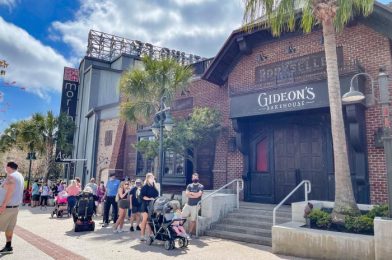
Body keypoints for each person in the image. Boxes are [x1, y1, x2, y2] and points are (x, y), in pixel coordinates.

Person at [0, 162, 25, 255]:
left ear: (8, 167)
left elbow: (10, 189)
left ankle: (8, 246)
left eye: (5, 166)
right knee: (9, 228)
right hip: (15, 207)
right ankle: (8, 246)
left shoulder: (11, 176)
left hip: (7, 207)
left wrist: (3, 205)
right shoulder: (20, 176)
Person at [139, 173, 159, 241]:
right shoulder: (145, 187)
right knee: (145, 220)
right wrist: (150, 199)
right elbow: (142, 196)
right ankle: (142, 236)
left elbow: (156, 195)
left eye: (153, 177)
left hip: (152, 206)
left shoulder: (154, 187)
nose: (152, 179)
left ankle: (150, 234)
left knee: (150, 221)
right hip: (145, 205)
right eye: (151, 178)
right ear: (147, 179)